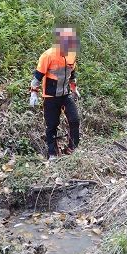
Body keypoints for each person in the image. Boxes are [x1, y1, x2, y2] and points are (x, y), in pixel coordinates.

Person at [30, 28, 81, 160]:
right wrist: (33, 93)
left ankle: (72, 149)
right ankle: (52, 153)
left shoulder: (72, 54)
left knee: (74, 120)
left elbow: (72, 74)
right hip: (50, 96)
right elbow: (37, 76)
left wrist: (74, 89)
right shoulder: (48, 55)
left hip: (65, 94)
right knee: (52, 125)